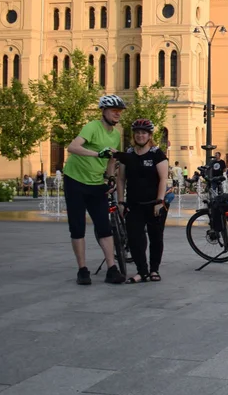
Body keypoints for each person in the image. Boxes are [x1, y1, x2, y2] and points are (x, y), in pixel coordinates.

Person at [63, 94, 127, 285]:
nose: (117, 114)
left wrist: (110, 177)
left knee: (104, 226)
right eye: (113, 110)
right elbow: (72, 147)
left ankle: (112, 268)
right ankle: (82, 270)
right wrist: (96, 153)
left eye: (119, 111)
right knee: (77, 227)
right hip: (75, 180)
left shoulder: (116, 135)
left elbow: (111, 159)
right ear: (103, 111)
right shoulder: (92, 127)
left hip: (96, 183)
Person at [115, 118, 169, 283]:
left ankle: (154, 270)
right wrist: (121, 201)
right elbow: (121, 179)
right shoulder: (129, 154)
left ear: (149, 135)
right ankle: (142, 271)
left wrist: (159, 202)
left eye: (144, 133)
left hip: (154, 204)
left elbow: (163, 179)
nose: (140, 135)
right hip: (134, 204)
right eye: (137, 132)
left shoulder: (156, 154)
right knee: (134, 239)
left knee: (156, 238)